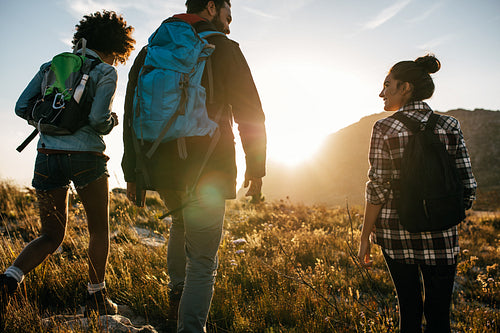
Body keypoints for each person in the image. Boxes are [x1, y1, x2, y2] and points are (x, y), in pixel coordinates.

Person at [121, 0, 266, 331]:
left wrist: (134, 173)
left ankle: (177, 299)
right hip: (208, 168)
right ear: (212, 7)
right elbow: (250, 112)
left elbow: (132, 113)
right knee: (203, 261)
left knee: (180, 226)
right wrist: (256, 167)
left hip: (159, 165)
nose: (231, 19)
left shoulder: (151, 50)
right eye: (228, 10)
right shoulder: (223, 48)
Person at [0, 10, 135, 318]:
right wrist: (111, 121)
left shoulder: (51, 66)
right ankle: (96, 298)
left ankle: (9, 279)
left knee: (51, 235)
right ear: (116, 46)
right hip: (87, 159)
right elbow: (99, 121)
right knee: (99, 231)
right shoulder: (105, 71)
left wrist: (48, 121)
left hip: (47, 157)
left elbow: (22, 106)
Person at [357, 54, 477, 332]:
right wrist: (443, 216)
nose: (381, 92)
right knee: (439, 316)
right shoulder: (450, 126)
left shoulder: (384, 127)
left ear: (405, 87)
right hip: (443, 234)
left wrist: (365, 236)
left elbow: (377, 188)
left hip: (396, 234)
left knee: (409, 312)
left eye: (387, 85)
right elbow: (468, 186)